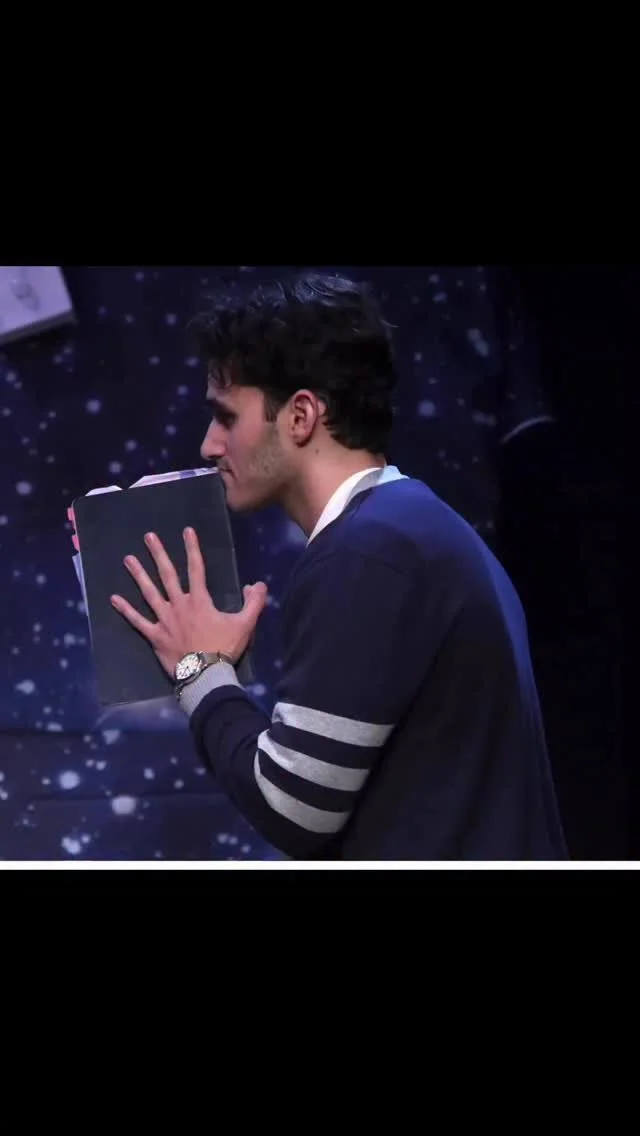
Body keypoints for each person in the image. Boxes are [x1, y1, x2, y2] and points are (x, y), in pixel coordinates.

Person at [110, 272, 568, 860]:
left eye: (226, 417)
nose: (209, 444)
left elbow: (293, 805)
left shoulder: (371, 551)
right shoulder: (408, 529)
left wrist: (198, 670)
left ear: (301, 416)